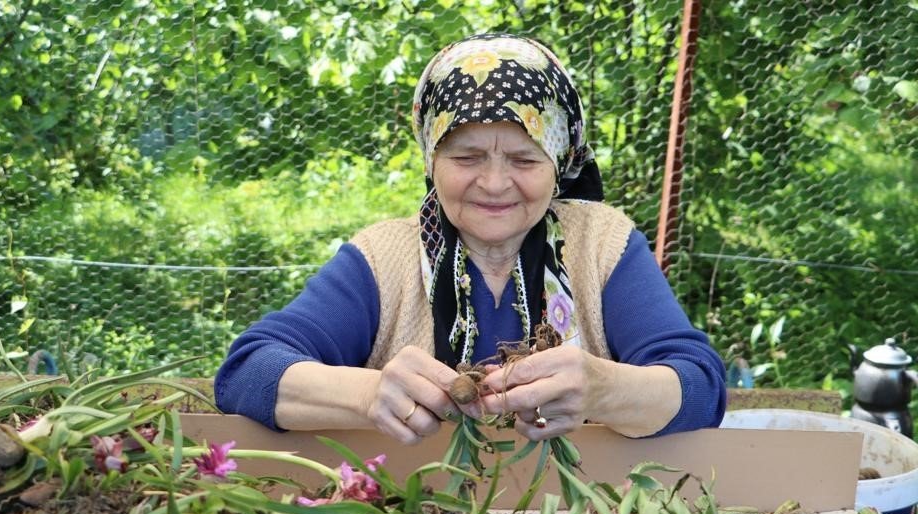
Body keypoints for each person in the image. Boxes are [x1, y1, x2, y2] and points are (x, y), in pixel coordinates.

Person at [215, 33, 726, 445]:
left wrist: (604, 389)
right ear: (431, 159)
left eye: (524, 159)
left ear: (559, 162)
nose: (495, 183)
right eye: (466, 157)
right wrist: (370, 395)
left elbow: (701, 388)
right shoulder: (382, 258)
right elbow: (247, 373)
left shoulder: (602, 245)